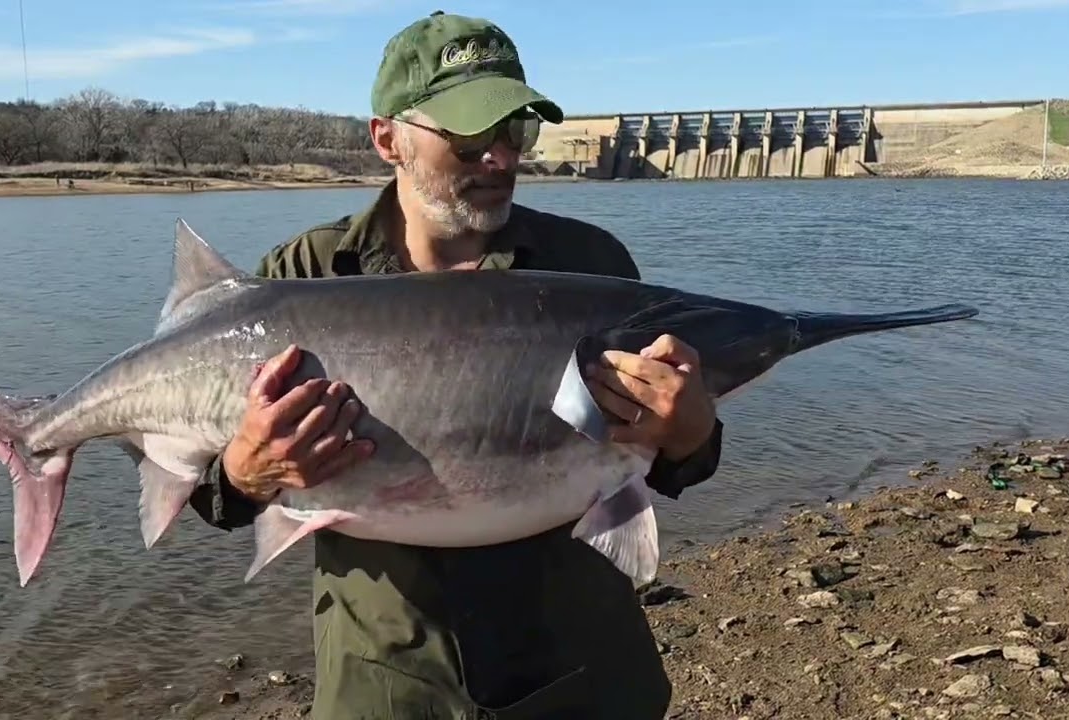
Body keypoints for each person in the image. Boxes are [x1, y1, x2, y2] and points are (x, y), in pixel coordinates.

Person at [186, 11, 725, 720]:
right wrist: (239, 475)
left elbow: (655, 458)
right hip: (388, 680)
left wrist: (691, 435)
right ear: (388, 138)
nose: (500, 159)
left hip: (581, 671)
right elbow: (204, 480)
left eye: (515, 131)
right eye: (470, 137)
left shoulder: (590, 268)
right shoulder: (300, 278)